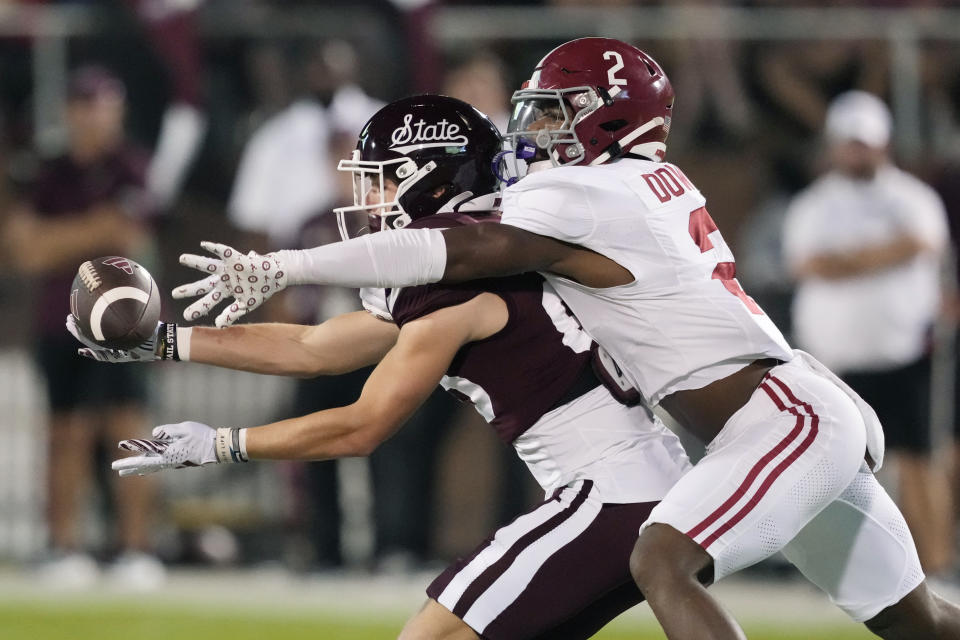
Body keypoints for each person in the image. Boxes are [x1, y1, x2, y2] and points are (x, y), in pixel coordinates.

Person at [181, 39, 960, 639]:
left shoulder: (588, 190)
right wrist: (171, 341)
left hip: (774, 421)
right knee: (917, 623)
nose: (536, 129)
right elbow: (351, 331)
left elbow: (459, 248)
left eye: (557, 110)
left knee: (661, 561)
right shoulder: (635, 184)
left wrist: (288, 262)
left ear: (609, 115)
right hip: (771, 422)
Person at [75, 95, 692, 639]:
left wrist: (221, 444)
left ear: (431, 178)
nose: (365, 196)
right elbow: (314, 348)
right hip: (638, 492)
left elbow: (361, 426)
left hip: (609, 497)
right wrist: (160, 343)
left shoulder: (460, 287)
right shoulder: (482, 252)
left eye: (381, 179)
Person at [2, 65, 164, 588]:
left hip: (123, 319)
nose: (92, 118)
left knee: (127, 429)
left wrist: (59, 240)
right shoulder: (48, 170)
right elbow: (23, 250)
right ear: (70, 112)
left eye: (101, 106)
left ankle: (136, 548)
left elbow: (126, 233)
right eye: (83, 107)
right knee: (64, 432)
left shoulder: (131, 166)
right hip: (63, 319)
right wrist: (92, 231)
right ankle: (62, 546)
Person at [783, 90, 954, 577]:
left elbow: (922, 246)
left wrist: (848, 259)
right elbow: (810, 264)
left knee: (922, 462)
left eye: (866, 143)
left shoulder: (912, 197)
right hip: (835, 361)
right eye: (850, 143)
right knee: (832, 470)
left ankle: (938, 566)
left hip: (904, 352)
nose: (858, 153)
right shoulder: (814, 204)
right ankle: (840, 567)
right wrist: (887, 252)